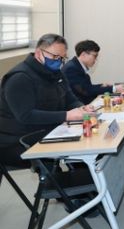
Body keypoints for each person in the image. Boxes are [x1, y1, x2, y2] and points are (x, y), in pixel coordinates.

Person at [0, 33, 92, 167]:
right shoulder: (20, 78)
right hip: (16, 140)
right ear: (38, 53)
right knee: (71, 154)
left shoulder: (56, 74)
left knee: (83, 150)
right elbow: (26, 116)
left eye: (62, 58)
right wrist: (66, 115)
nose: (58, 61)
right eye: (55, 57)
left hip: (46, 131)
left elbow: (70, 98)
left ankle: (82, 178)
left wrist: (80, 107)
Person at [62, 39, 119, 104]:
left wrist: (101, 86)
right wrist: (114, 88)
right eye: (95, 56)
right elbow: (86, 91)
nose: (96, 59)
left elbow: (86, 87)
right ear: (83, 54)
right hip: (79, 106)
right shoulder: (71, 68)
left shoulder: (77, 66)